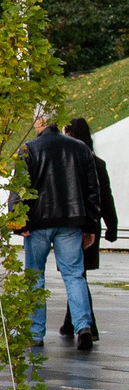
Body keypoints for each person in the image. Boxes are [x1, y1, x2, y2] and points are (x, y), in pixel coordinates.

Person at [22, 108, 101, 352]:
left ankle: (36, 332)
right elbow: (92, 191)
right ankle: (83, 327)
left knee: (35, 275)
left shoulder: (29, 149)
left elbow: (20, 188)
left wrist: (19, 222)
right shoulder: (80, 149)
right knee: (74, 275)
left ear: (40, 121)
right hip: (70, 222)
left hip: (37, 224)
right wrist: (90, 226)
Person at [63, 116, 115, 343]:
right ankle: (70, 321)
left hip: (74, 225)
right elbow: (106, 198)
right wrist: (111, 226)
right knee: (76, 274)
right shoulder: (97, 163)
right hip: (91, 224)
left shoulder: (68, 165)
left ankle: (87, 324)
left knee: (76, 274)